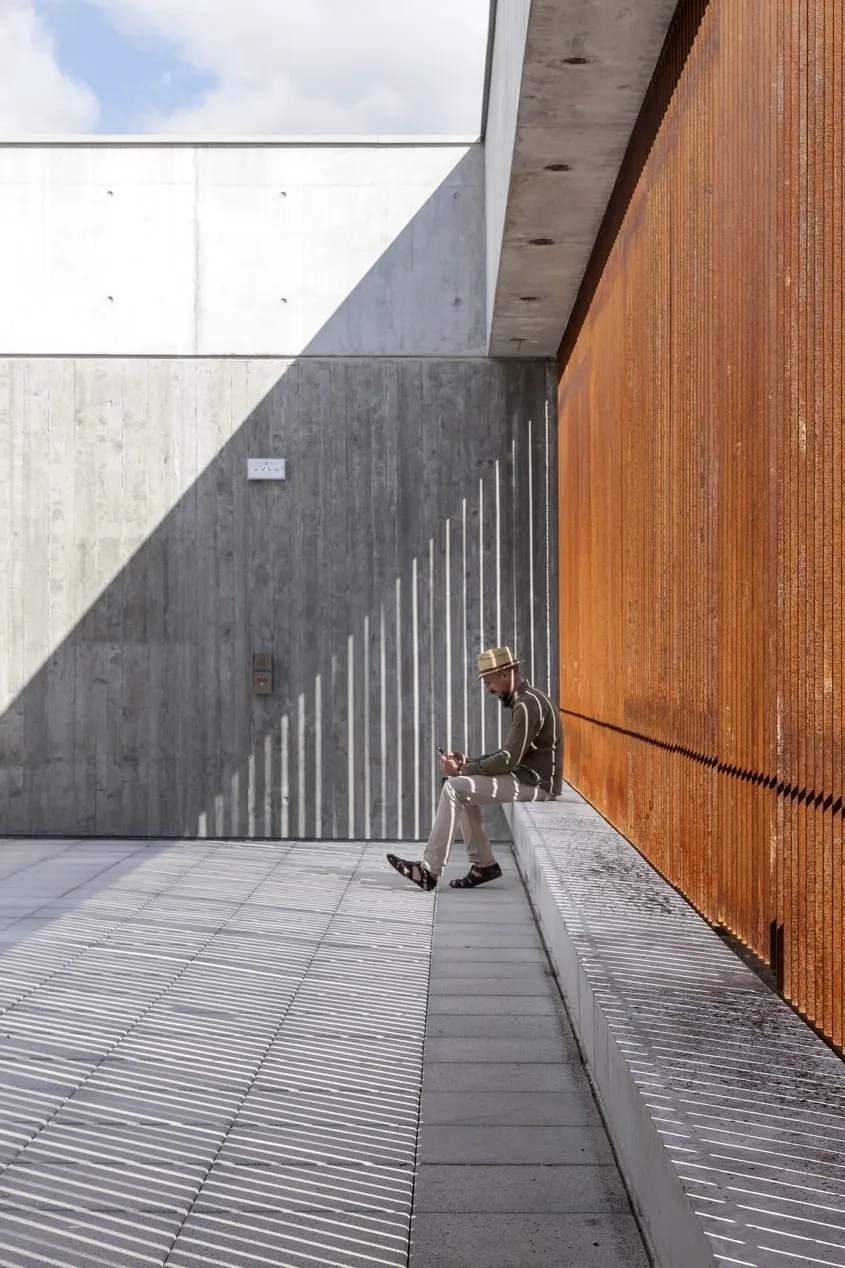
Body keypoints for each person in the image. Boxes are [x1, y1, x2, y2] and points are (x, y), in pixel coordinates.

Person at [387, 646, 563, 890]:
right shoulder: (529, 699)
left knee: (454, 787)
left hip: (535, 785)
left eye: (488, 681)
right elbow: (510, 755)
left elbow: (508, 759)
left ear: (505, 674)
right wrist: (468, 763)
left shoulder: (526, 705)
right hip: (527, 777)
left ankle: (429, 871)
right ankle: (483, 865)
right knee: (457, 788)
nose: (488, 689)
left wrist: (462, 770)